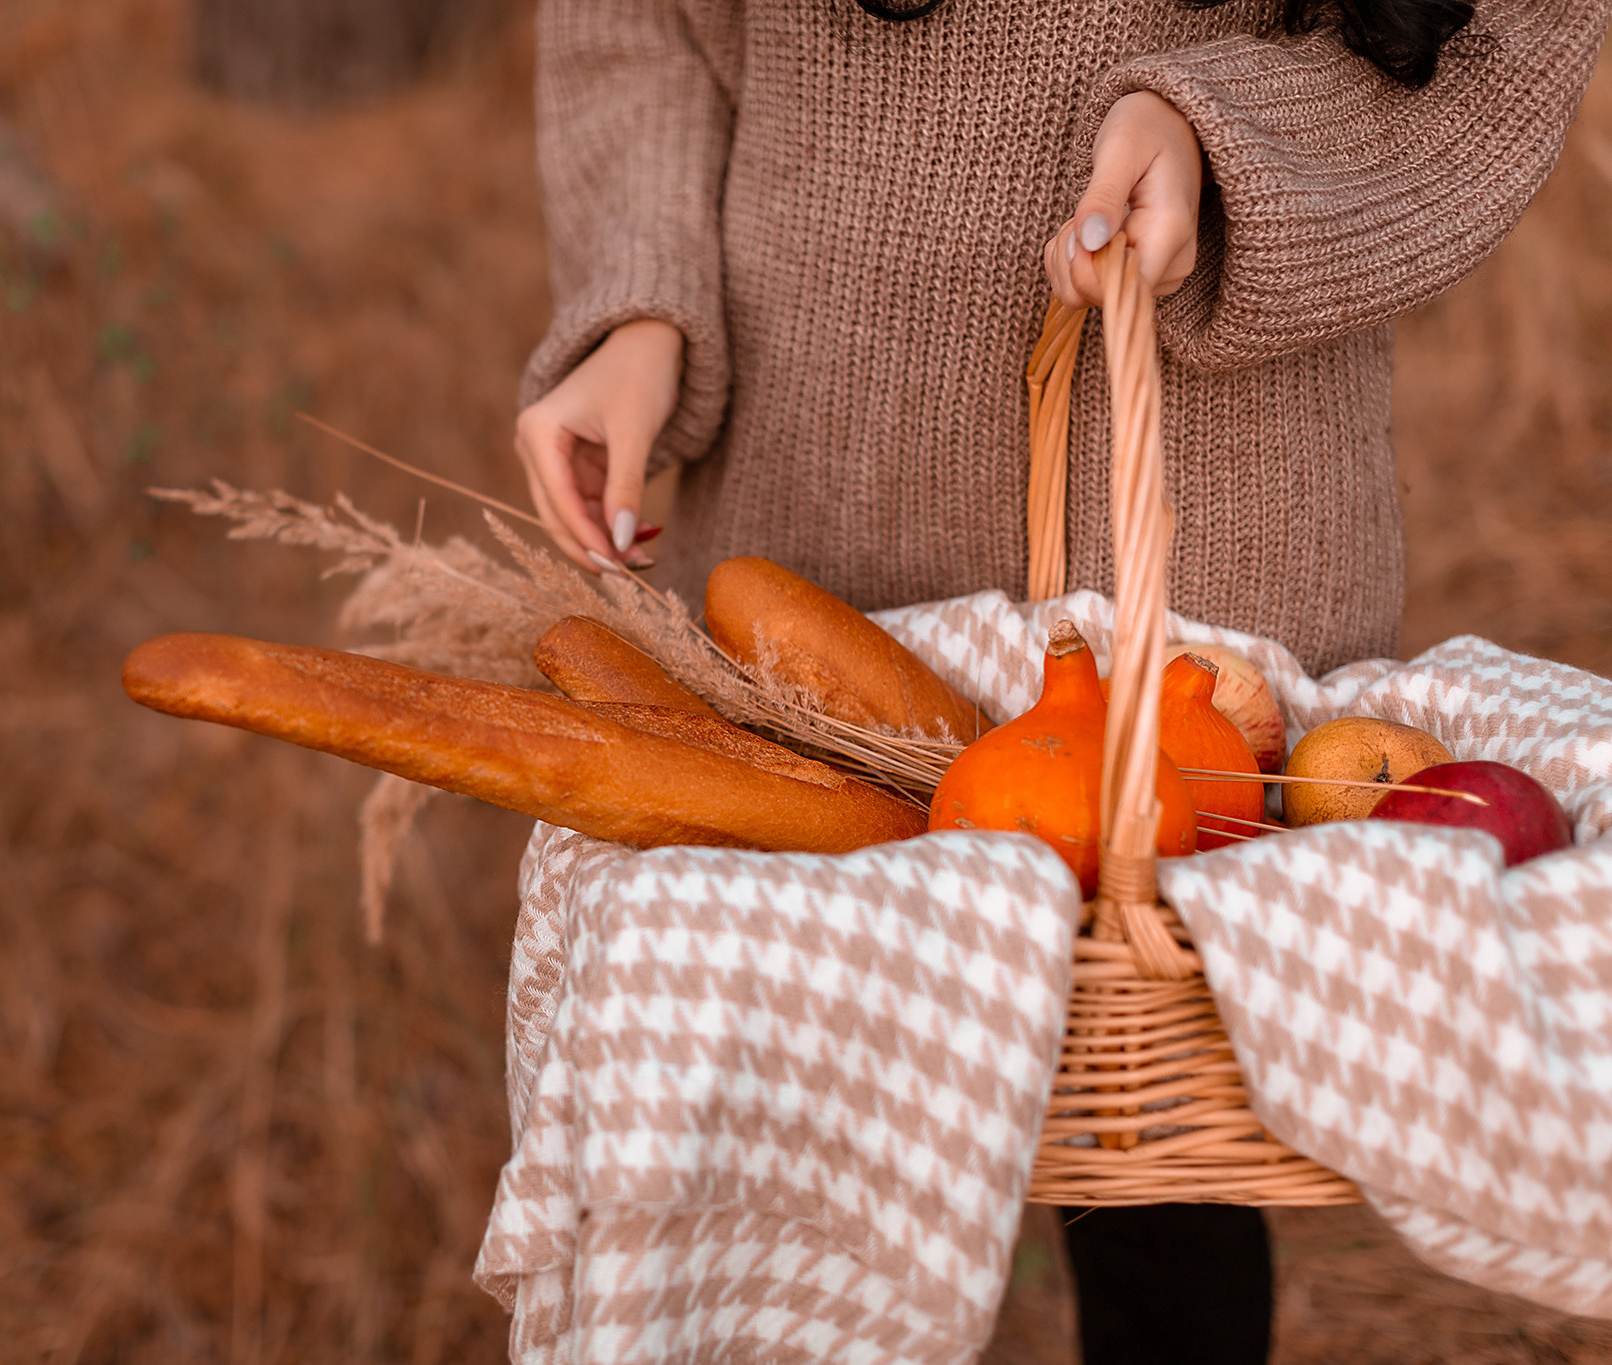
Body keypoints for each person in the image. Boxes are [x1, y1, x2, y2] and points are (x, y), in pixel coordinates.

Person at [510, 0, 1608, 1359]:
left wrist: (1231, 135)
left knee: (1159, 1158)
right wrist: (641, 295)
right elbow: (636, 26)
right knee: (794, 1140)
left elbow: (1508, 38)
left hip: (1205, 542)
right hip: (814, 524)